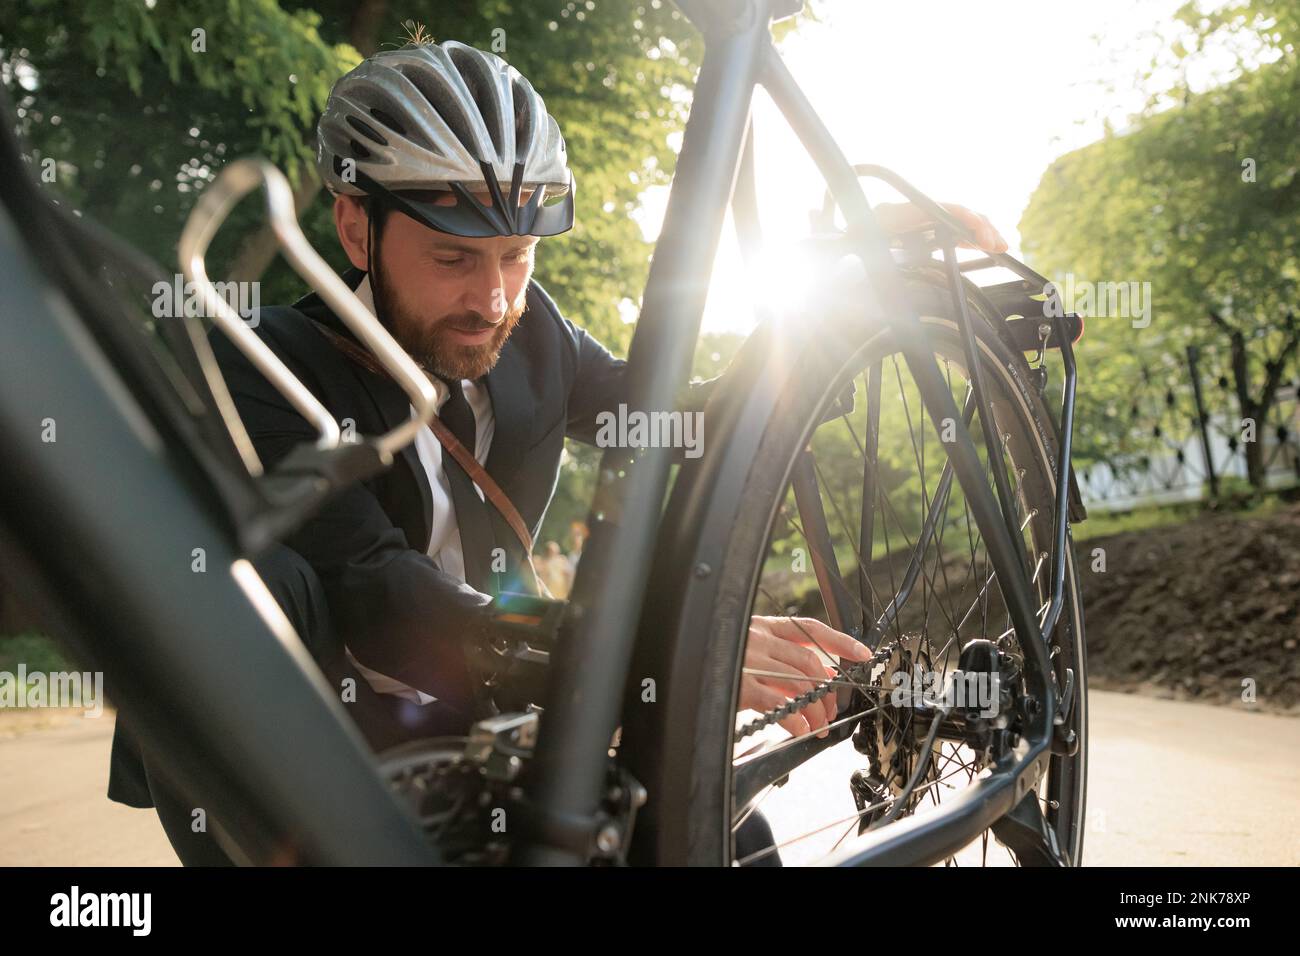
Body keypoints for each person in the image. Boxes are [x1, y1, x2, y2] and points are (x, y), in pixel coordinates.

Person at [107, 37, 1007, 866]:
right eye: (454, 260)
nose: (494, 301)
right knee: (240, 582)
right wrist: (631, 650)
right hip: (311, 741)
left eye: (517, 255)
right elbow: (370, 588)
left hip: (491, 704)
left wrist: (833, 295)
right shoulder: (260, 363)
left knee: (730, 839)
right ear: (355, 230)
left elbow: (683, 425)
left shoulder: (536, 336)